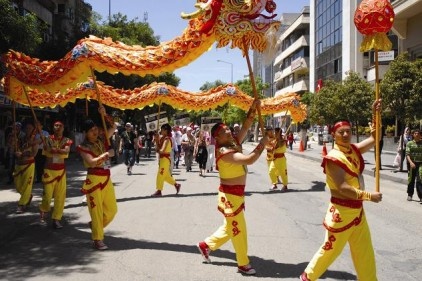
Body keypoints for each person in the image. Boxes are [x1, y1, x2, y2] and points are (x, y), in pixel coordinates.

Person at [300, 99, 383, 281]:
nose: (345, 134)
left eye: (348, 131)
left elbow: (375, 138)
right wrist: (369, 196)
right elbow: (342, 188)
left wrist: (375, 114)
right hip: (341, 214)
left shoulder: (352, 150)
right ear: (334, 135)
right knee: (329, 251)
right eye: (341, 132)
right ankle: (307, 277)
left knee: (365, 253)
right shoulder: (333, 158)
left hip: (358, 212)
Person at [196, 100, 267, 275]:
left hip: (236, 196)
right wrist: (262, 144)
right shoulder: (223, 152)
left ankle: (206, 245)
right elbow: (250, 159)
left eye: (227, 128)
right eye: (223, 131)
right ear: (217, 138)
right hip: (229, 197)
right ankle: (243, 263)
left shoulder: (232, 143)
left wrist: (253, 109)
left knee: (230, 228)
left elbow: (245, 127)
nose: (228, 130)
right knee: (238, 230)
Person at [77, 107, 117, 250]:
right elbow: (91, 162)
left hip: (106, 178)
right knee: (96, 211)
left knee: (112, 210)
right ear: (86, 133)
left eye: (95, 129)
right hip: (93, 180)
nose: (95, 132)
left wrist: (104, 114)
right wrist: (107, 154)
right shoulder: (83, 146)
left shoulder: (102, 139)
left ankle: (95, 225)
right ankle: (97, 239)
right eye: (91, 130)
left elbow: (113, 127)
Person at [39, 121, 73, 229]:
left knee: (60, 197)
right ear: (53, 127)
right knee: (47, 196)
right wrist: (57, 150)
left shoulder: (67, 140)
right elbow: (48, 149)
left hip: (61, 171)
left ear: (63, 128)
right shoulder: (47, 139)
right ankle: (43, 214)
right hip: (49, 171)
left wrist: (56, 150)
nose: (58, 127)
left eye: (60, 126)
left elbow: (66, 150)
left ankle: (56, 219)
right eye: (56, 125)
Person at [13, 120, 38, 214]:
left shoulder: (35, 140)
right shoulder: (19, 138)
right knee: (18, 185)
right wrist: (15, 151)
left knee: (27, 185)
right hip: (18, 164)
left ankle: (21, 204)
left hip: (29, 164)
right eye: (26, 128)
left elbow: (34, 153)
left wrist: (22, 153)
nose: (28, 130)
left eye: (30, 128)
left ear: (33, 130)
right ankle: (28, 196)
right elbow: (13, 148)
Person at [151, 123, 181, 197]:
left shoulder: (167, 139)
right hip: (162, 159)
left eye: (162, 129)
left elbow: (162, 150)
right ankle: (176, 185)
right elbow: (158, 148)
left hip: (165, 159)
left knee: (160, 175)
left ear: (166, 130)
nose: (161, 131)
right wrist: (157, 140)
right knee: (166, 176)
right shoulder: (163, 138)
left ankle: (159, 190)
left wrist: (157, 145)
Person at [405, 129, 422, 202]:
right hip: (412, 163)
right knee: (411, 179)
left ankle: (421, 196)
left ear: (420, 135)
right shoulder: (409, 143)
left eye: (418, 133)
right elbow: (407, 154)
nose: (417, 134)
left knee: (420, 179)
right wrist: (411, 163)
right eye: (415, 133)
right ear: (413, 135)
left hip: (420, 164)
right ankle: (410, 194)